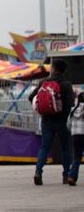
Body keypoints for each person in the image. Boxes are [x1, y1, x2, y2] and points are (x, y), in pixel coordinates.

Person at [30, 58, 76, 186]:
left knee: (44, 147)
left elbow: (31, 97)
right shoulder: (66, 84)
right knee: (66, 148)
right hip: (62, 121)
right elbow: (70, 104)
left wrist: (41, 110)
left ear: (53, 68)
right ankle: (66, 175)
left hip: (46, 120)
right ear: (64, 71)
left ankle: (38, 172)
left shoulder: (43, 82)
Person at [68, 92, 84, 187]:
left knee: (77, 157)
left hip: (75, 135)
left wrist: (73, 130)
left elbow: (68, 125)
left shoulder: (72, 110)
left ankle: (72, 176)